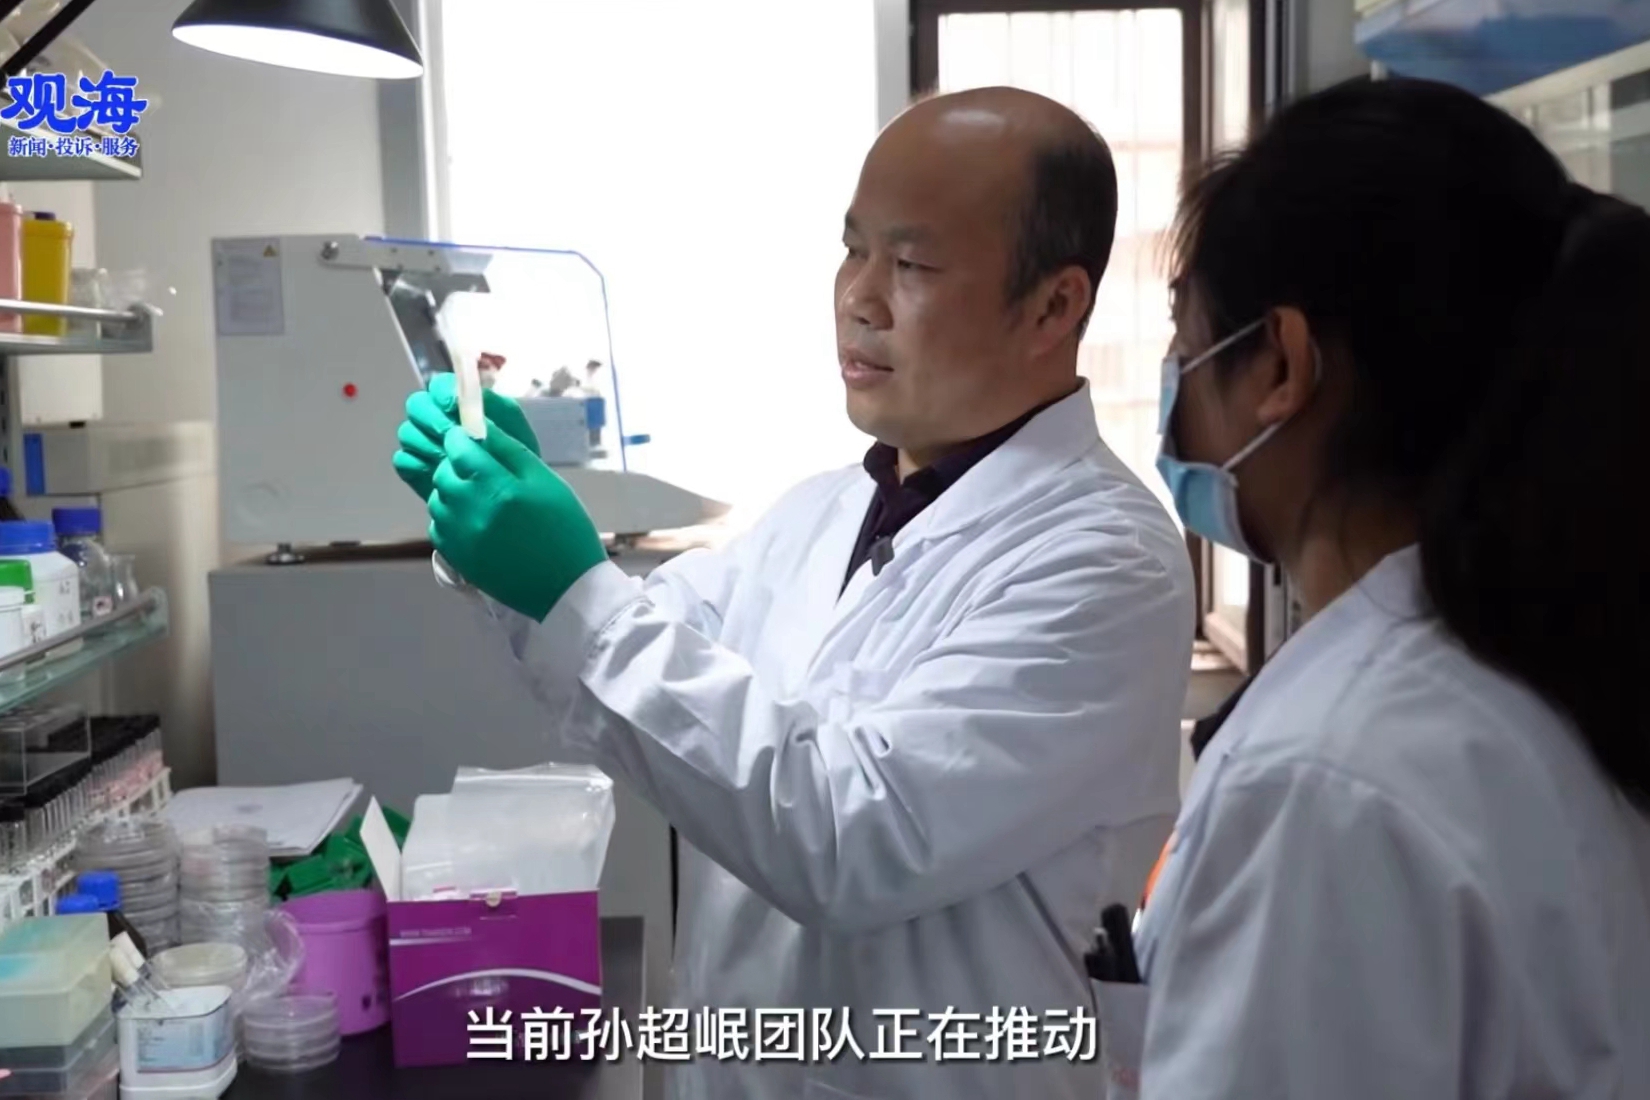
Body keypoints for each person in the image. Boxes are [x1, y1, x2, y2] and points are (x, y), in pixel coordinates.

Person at [394, 87, 1195, 1100]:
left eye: (911, 265)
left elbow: (851, 834)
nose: (860, 297)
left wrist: (568, 588)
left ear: (1054, 306)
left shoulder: (1105, 560)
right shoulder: (822, 510)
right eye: (852, 250)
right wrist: (497, 535)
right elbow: (631, 656)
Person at [1123, 76, 1650, 1098]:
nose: (1174, 384)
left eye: (1187, 341)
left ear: (1282, 364)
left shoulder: (1328, 776)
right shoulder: (1562, 662)